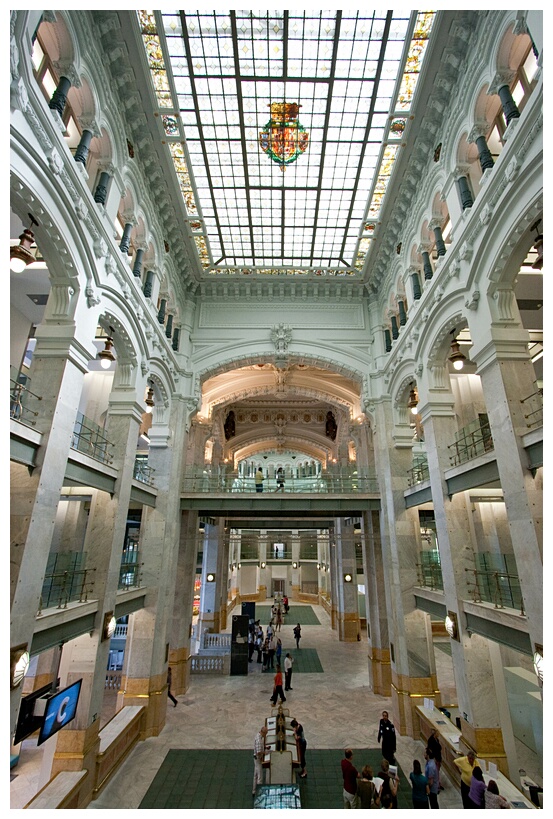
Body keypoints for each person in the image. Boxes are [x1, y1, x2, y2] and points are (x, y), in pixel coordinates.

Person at [253, 725, 268, 796]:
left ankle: (254, 790)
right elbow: (259, 751)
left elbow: (259, 747)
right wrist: (265, 752)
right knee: (260, 777)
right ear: (264, 733)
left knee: (255, 775)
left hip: (255, 758)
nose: (266, 735)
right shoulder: (259, 740)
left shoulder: (258, 736)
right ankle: (259, 793)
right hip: (258, 759)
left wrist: (265, 747)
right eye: (266, 733)